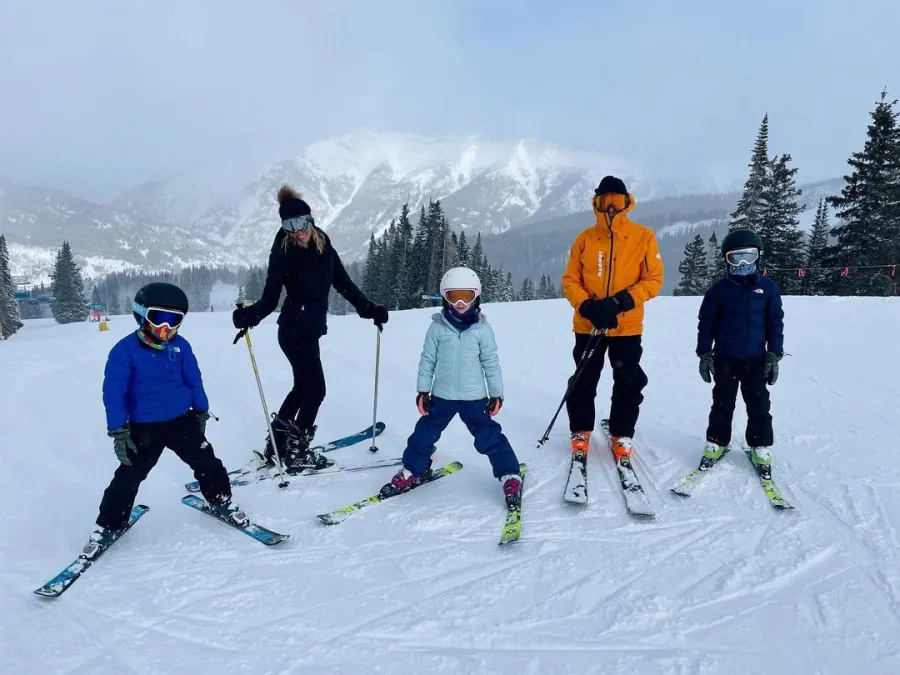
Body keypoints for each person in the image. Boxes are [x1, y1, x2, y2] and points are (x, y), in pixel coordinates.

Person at [232, 185, 389, 474]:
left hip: (311, 329)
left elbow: (343, 283)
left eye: (301, 222)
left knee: (303, 388)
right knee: (316, 391)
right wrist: (250, 316)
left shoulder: (324, 246)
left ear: (310, 220)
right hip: (293, 331)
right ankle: (295, 452)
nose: (297, 230)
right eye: (289, 225)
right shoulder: (282, 254)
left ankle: (278, 445)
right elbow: (269, 298)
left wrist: (368, 309)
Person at [87, 282, 241, 558]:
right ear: (142, 315)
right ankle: (109, 524)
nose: (166, 328)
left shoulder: (181, 347)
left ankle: (220, 499)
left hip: (182, 421)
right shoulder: (124, 351)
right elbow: (114, 394)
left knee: (207, 461)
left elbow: (194, 380)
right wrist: (119, 431)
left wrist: (201, 410)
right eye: (159, 318)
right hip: (143, 427)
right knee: (129, 474)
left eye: (174, 320)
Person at [383, 267, 523, 507]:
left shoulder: (482, 330)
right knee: (423, 435)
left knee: (489, 437)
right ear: (444, 296)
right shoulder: (437, 328)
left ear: (476, 296)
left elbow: (491, 363)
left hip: (474, 398)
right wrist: (423, 391)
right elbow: (428, 359)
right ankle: (414, 470)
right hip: (442, 396)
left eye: (466, 296)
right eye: (453, 296)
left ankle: (509, 473)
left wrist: (496, 394)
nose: (459, 302)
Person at [561, 175, 664, 462]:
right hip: (589, 325)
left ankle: (622, 432)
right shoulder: (585, 238)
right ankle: (581, 430)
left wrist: (622, 301)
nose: (611, 208)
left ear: (625, 202)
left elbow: (654, 279)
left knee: (629, 381)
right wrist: (587, 306)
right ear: (597, 203)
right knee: (583, 379)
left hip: (627, 326)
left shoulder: (643, 236)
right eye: (606, 202)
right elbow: (570, 279)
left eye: (616, 202)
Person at [696, 228, 784, 478]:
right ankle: (717, 441)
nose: (743, 264)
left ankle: (760, 445)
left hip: (756, 359)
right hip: (725, 357)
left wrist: (773, 354)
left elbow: (775, 322)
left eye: (749, 256)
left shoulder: (767, 289)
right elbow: (706, 323)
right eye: (736, 258)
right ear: (726, 259)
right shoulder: (719, 291)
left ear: (759, 257)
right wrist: (705, 353)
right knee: (722, 402)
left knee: (758, 403)